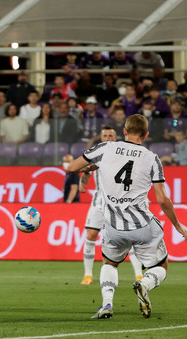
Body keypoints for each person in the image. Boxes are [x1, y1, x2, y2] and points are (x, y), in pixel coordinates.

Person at [68, 114, 187, 319]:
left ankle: (106, 304)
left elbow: (72, 167)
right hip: (143, 225)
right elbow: (163, 199)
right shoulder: (152, 158)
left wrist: (94, 166)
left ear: (124, 131)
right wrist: (177, 224)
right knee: (160, 266)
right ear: (146, 134)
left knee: (109, 263)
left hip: (115, 227)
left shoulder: (106, 148)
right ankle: (144, 284)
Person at [79, 125, 143, 285]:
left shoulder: (123, 154)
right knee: (91, 235)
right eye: (105, 136)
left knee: (131, 238)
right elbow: (86, 171)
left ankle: (138, 275)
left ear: (116, 138)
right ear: (102, 138)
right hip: (99, 202)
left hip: (120, 204)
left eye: (111, 136)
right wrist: (84, 181)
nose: (108, 138)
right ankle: (88, 275)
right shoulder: (97, 154)